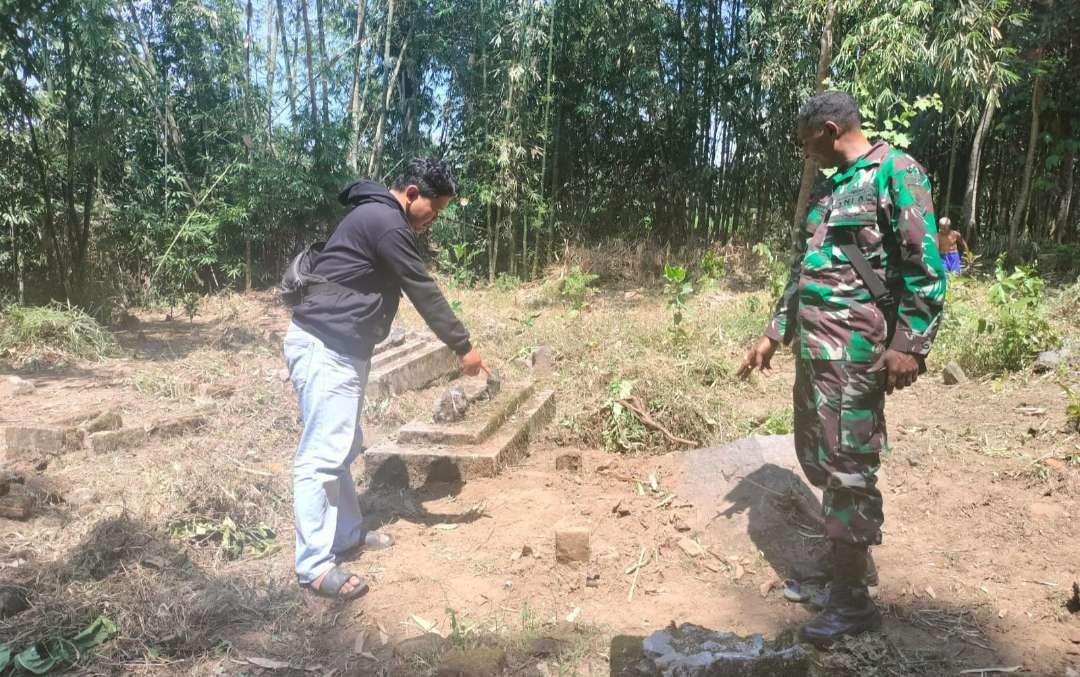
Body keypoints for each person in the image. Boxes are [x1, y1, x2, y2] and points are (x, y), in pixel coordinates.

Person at [737, 91, 946, 646]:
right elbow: (803, 270)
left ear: (830, 130)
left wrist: (910, 345)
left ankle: (853, 603)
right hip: (815, 353)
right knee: (818, 456)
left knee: (849, 466)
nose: (808, 156)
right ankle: (844, 570)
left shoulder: (895, 173)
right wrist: (773, 334)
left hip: (857, 354)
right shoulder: (830, 192)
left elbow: (926, 268)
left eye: (809, 144)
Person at [283, 157, 489, 600]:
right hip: (325, 346)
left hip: (342, 346)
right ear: (412, 194)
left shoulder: (378, 216)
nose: (432, 222)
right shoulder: (384, 221)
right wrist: (463, 346)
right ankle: (315, 567)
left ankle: (347, 536)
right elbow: (421, 287)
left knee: (342, 446)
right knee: (322, 454)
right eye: (433, 212)